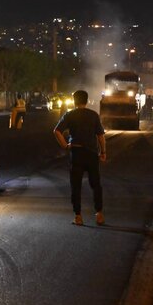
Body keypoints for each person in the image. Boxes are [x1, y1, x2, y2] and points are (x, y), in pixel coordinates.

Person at [53, 89, 107, 226]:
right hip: (91, 154)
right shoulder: (93, 115)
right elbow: (100, 136)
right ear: (87, 101)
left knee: (76, 186)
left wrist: (65, 146)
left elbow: (56, 131)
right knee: (96, 184)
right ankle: (99, 214)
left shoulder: (70, 115)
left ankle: (78, 216)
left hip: (76, 153)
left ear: (75, 101)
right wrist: (103, 152)